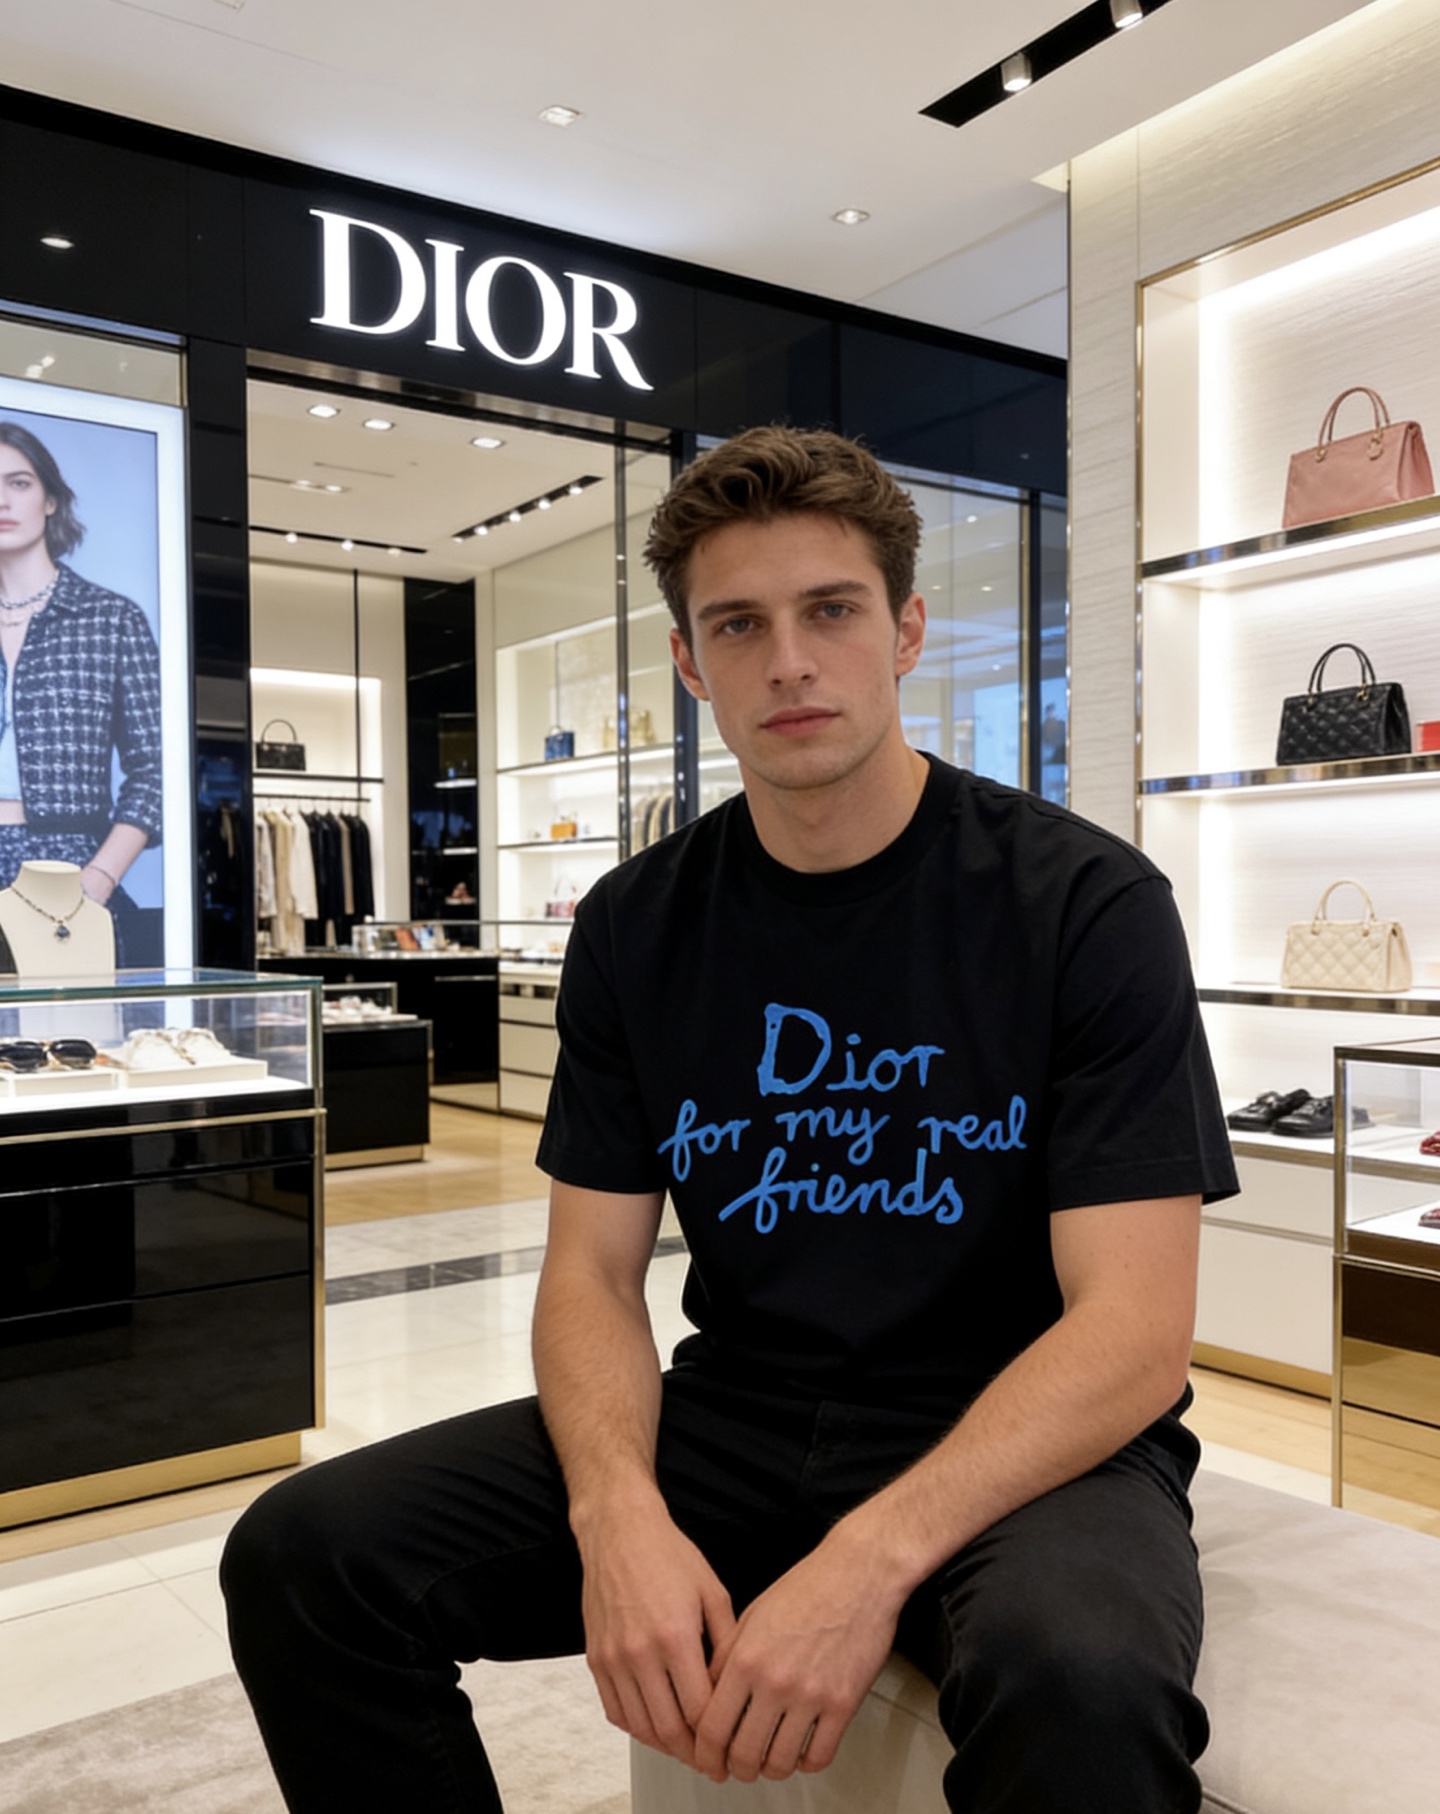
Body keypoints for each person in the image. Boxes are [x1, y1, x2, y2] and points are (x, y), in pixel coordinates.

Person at [222, 426, 1238, 1813]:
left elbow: (1134, 1328)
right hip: (740, 1414)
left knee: (1082, 1679)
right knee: (304, 1554)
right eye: (739, 625)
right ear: (691, 664)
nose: (790, 661)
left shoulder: (1085, 905)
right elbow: (590, 1274)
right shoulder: (636, 925)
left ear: (907, 632)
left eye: (833, 610)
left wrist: (867, 1557)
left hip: (1022, 1432)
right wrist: (616, 1513)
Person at [0, 421, 162, 960]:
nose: (2, 500)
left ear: (50, 498)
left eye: (19, 482)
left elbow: (155, 770)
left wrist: (100, 876)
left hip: (67, 867)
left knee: (68, 1015)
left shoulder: (110, 620)